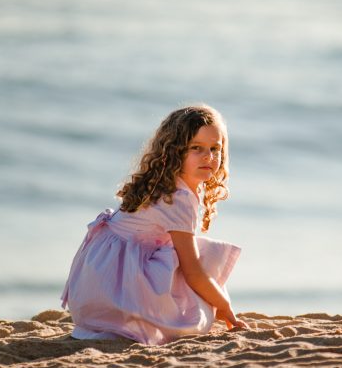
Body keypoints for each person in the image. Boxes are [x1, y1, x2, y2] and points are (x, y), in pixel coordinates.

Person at [60, 104, 249, 345]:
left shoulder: (164, 182)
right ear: (174, 151)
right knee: (204, 255)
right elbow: (193, 271)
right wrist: (223, 305)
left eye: (215, 149)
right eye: (196, 148)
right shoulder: (178, 198)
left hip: (94, 287)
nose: (208, 157)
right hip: (114, 290)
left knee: (183, 251)